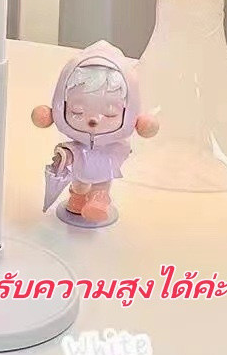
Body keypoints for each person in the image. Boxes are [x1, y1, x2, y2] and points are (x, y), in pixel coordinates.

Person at [32, 41, 159, 224]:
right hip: (81, 155)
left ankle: (99, 200)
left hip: (106, 155)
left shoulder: (116, 142)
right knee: (79, 182)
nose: (94, 120)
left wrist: (141, 125)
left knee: (102, 181)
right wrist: (64, 156)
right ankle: (77, 198)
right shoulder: (76, 140)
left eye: (110, 113)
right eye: (77, 112)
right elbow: (71, 151)